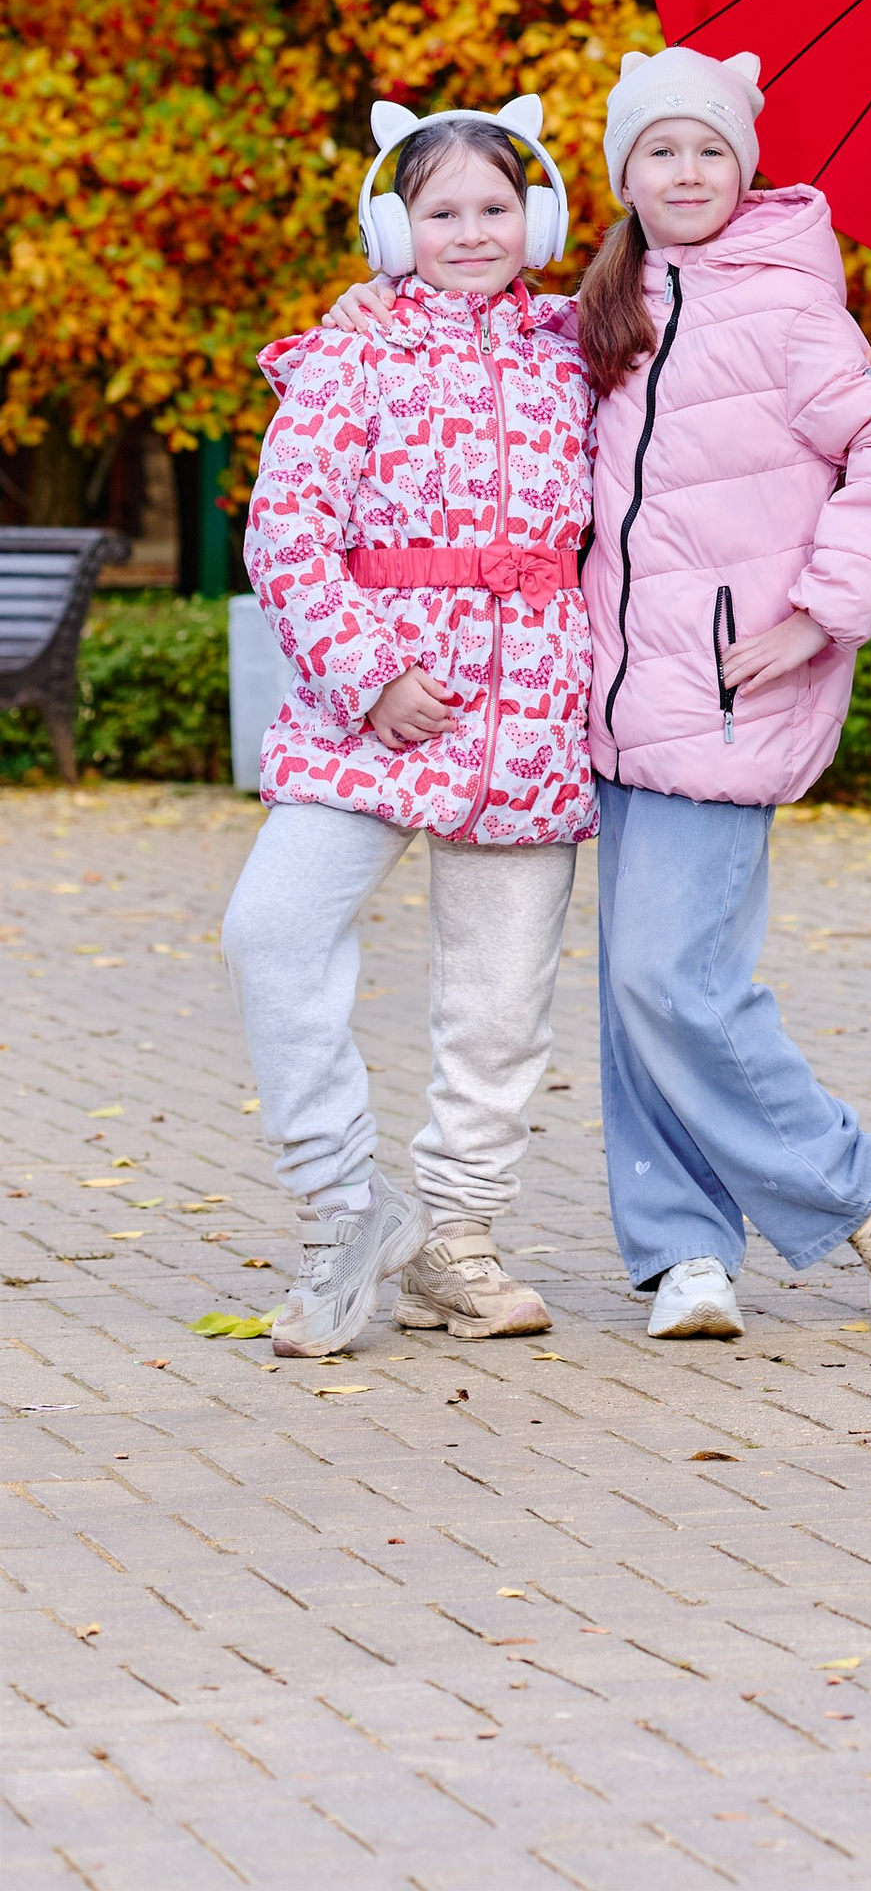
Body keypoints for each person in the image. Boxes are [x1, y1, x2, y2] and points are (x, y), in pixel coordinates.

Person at [579, 44, 871, 1338]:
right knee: (634, 999)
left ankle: (864, 1185)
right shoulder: (611, 303)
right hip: (620, 702)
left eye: (710, 149)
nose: (685, 171)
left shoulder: (788, 309)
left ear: (746, 166)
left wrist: (819, 616)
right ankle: (685, 1255)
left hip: (729, 693)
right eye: (659, 150)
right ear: (622, 170)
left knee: (671, 979)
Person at [228, 101, 596, 1360]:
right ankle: (347, 1208)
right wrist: (372, 675)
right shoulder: (351, 356)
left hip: (533, 713)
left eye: (497, 207)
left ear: (539, 217)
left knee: (497, 1005)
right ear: (395, 226)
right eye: (441, 211)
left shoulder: (583, 346)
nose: (472, 231)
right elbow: (284, 532)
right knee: (269, 932)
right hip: (369, 715)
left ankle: (457, 1240)